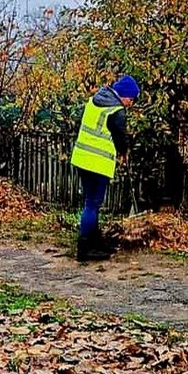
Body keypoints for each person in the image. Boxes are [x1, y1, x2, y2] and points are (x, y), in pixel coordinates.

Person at [70, 75, 140, 261]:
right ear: (124, 95)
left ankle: (94, 241)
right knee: (93, 204)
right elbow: (120, 135)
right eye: (130, 99)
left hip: (82, 158)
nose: (130, 104)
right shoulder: (117, 111)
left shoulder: (94, 101)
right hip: (97, 161)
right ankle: (85, 249)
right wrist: (124, 153)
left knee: (90, 203)